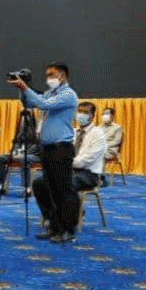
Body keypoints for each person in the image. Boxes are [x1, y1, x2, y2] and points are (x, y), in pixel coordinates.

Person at [8, 63, 78, 243]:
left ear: (62, 76)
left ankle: (67, 230)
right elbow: (30, 103)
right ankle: (54, 227)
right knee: (50, 188)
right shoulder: (49, 93)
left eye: (52, 74)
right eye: (47, 75)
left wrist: (26, 88)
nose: (48, 78)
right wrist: (22, 89)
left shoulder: (68, 94)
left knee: (63, 190)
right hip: (46, 148)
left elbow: (43, 104)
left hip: (61, 148)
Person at [32, 101, 106, 237]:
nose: (81, 115)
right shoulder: (72, 132)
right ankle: (54, 220)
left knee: (62, 185)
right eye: (80, 112)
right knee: (39, 183)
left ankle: (66, 227)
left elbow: (88, 159)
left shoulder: (98, 134)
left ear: (93, 116)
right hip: (68, 170)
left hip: (88, 174)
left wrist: (65, 163)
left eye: (85, 112)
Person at [0, 111, 40, 196]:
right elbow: (17, 143)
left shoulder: (37, 130)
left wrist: (22, 154)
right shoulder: (21, 131)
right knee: (1, 158)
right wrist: (14, 152)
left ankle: (27, 190)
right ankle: (0, 187)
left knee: (24, 159)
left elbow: (38, 147)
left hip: (34, 155)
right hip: (19, 153)